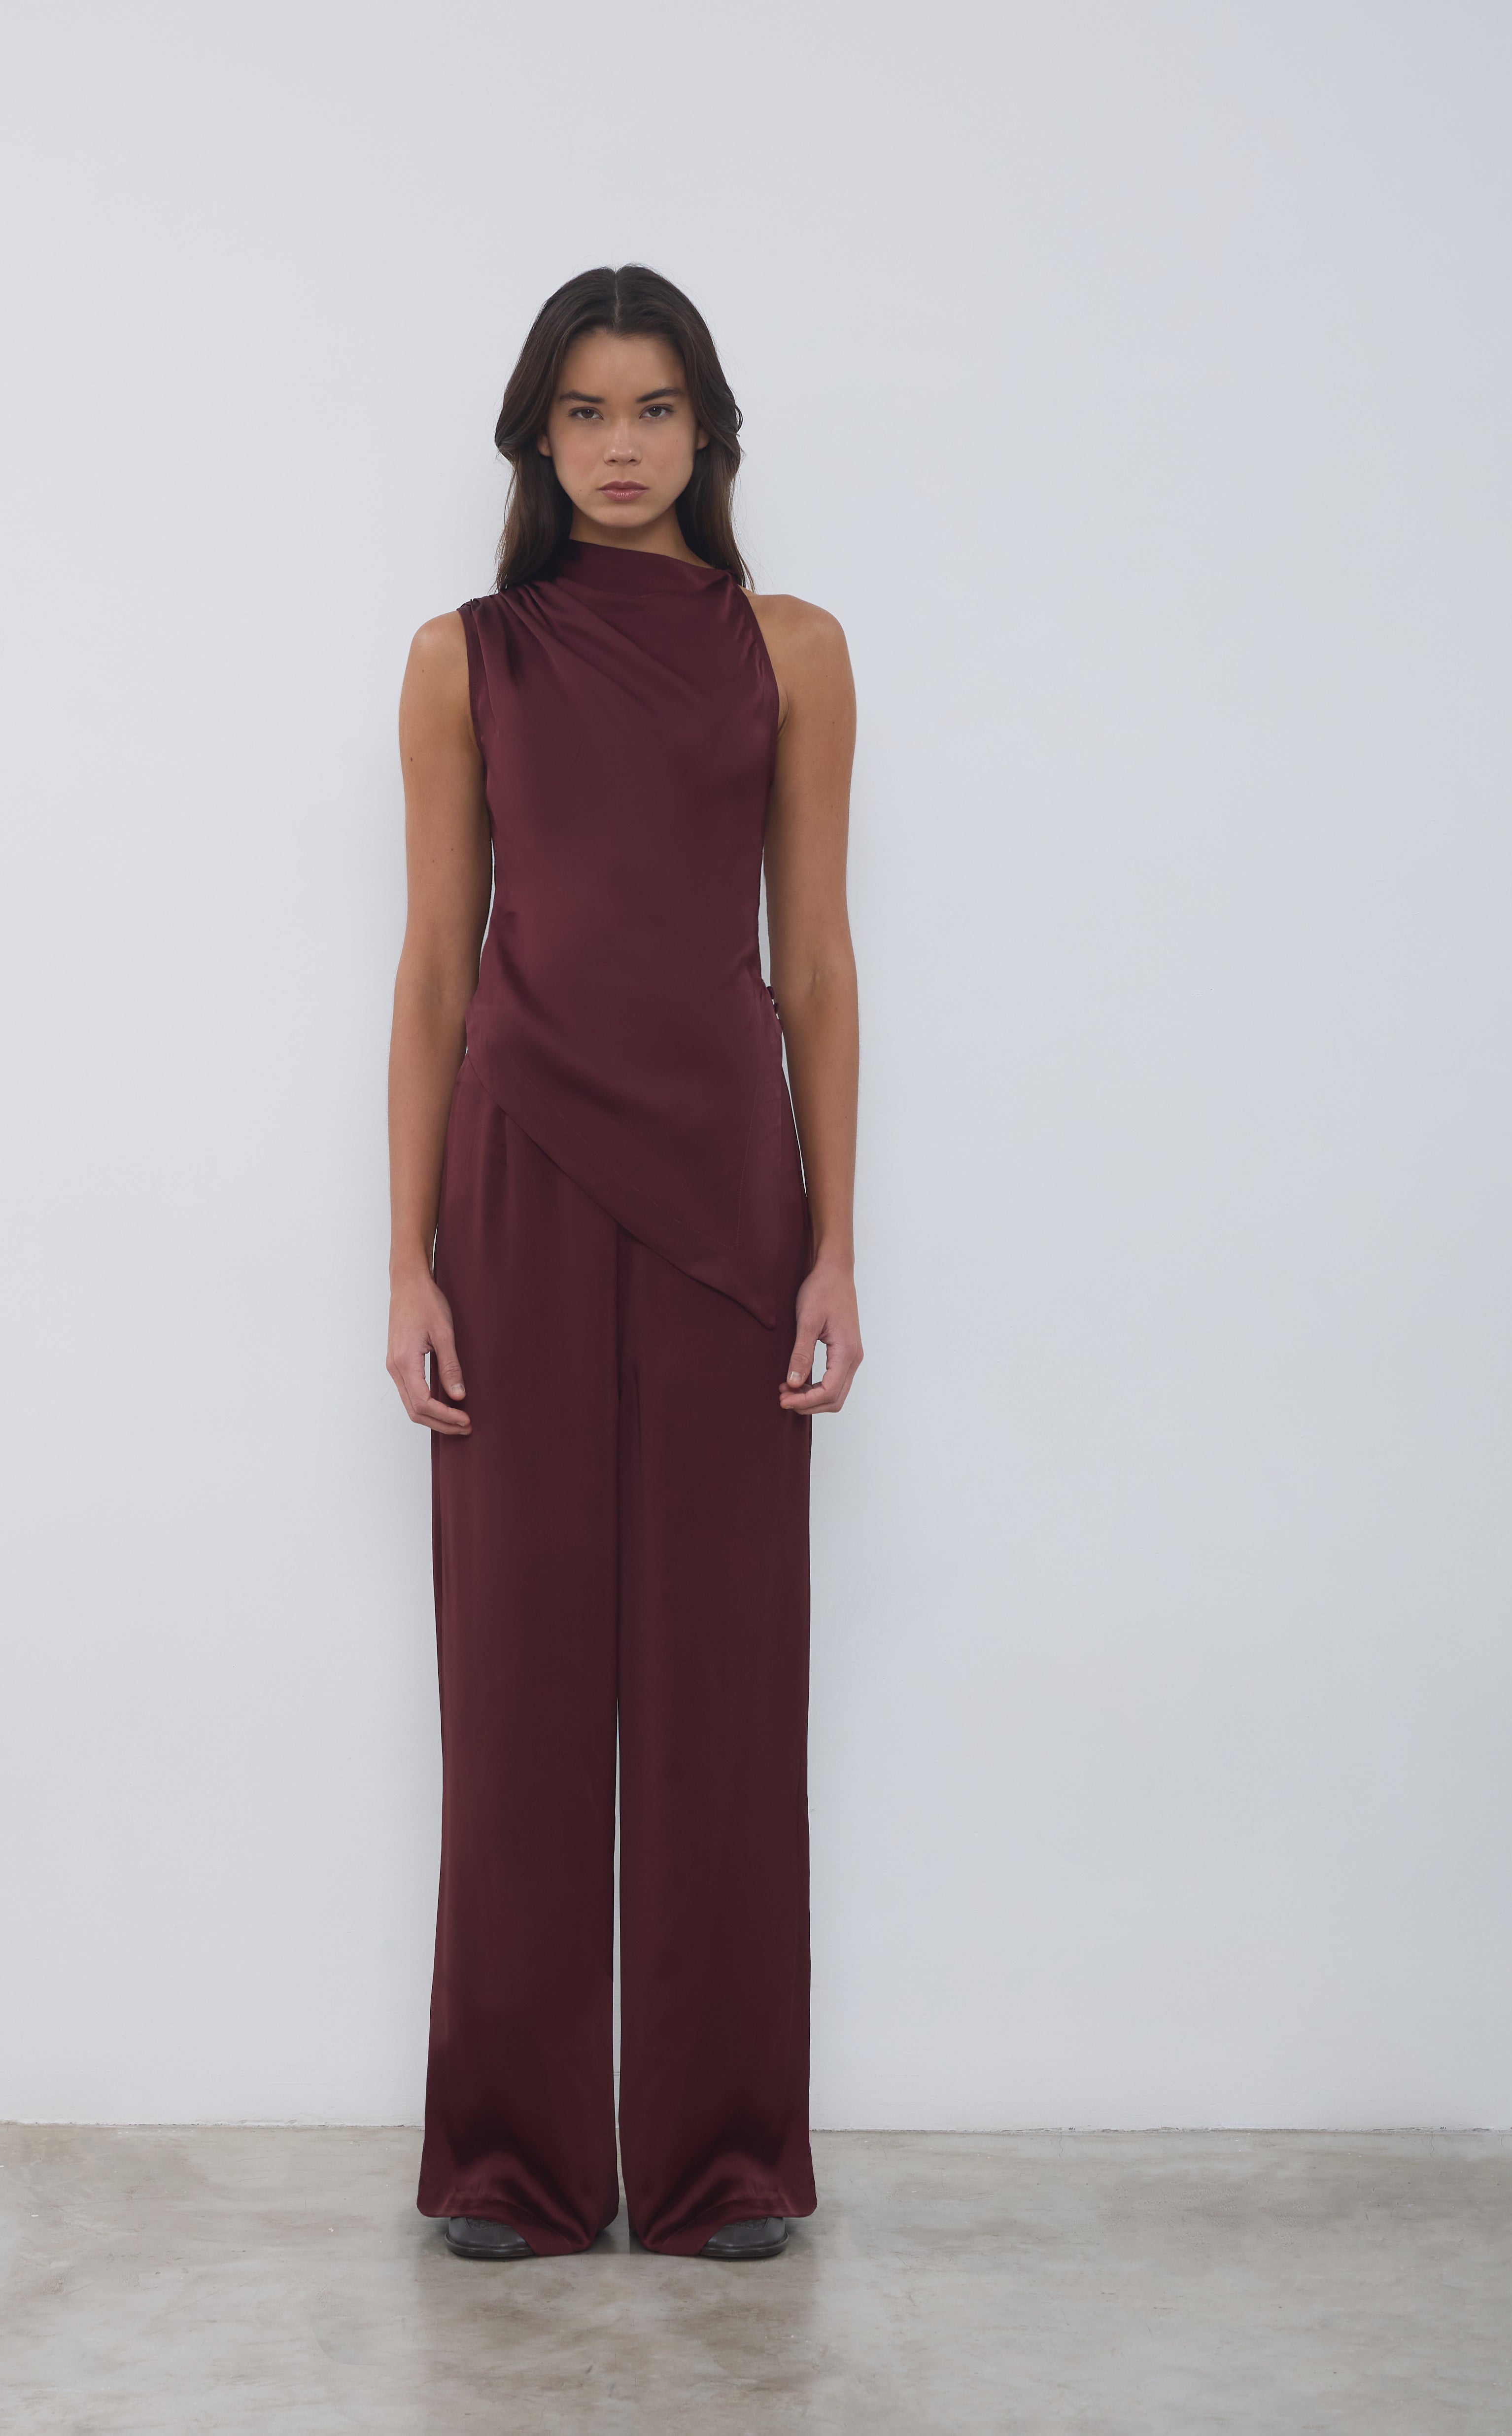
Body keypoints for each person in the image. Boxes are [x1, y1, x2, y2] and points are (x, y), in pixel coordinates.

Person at [384, 264, 861, 2262]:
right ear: (535, 436)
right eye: (582, 410)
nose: (619, 444)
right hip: (513, 1187)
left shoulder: (791, 652)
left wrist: (836, 1245)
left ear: (708, 431)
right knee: (512, 1680)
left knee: (721, 1688)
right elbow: (433, 966)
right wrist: (403, 1260)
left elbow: (811, 960)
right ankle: (508, 2164)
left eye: (654, 407)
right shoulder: (462, 658)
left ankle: (721, 2163)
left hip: (730, 1206)